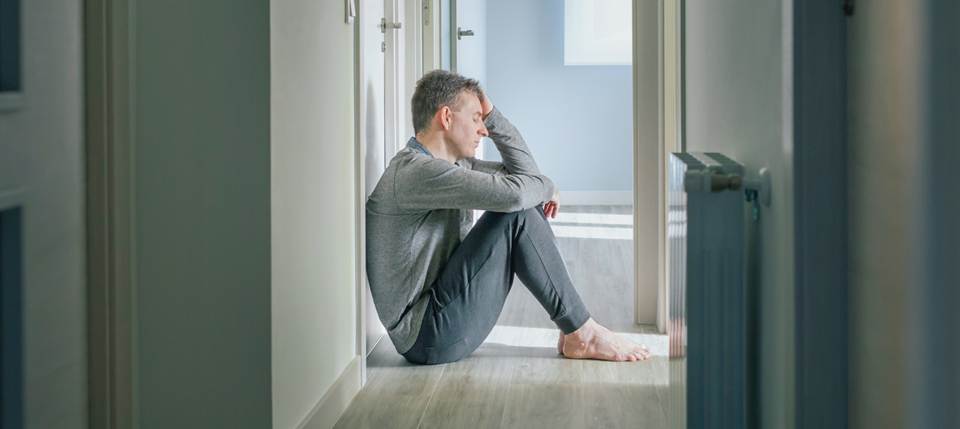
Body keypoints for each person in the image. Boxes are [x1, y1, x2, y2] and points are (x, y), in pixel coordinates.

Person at [366, 70, 649, 365]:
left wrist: (491, 113)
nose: (484, 129)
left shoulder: (455, 166)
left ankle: (575, 328)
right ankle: (582, 331)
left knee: (521, 204)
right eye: (476, 118)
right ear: (446, 117)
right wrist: (547, 186)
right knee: (516, 213)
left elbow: (525, 178)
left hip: (442, 317)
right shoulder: (417, 173)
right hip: (427, 336)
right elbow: (517, 195)